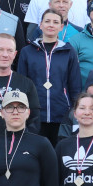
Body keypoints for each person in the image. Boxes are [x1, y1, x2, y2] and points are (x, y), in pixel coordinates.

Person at [17, 9, 82, 144]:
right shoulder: (27, 51)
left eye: (55, 22)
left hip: (62, 113)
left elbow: (75, 85)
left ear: (61, 27)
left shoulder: (69, 51)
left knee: (58, 153)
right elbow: (22, 84)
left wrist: (74, 111)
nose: (51, 25)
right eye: (47, 21)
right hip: (35, 114)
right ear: (40, 25)